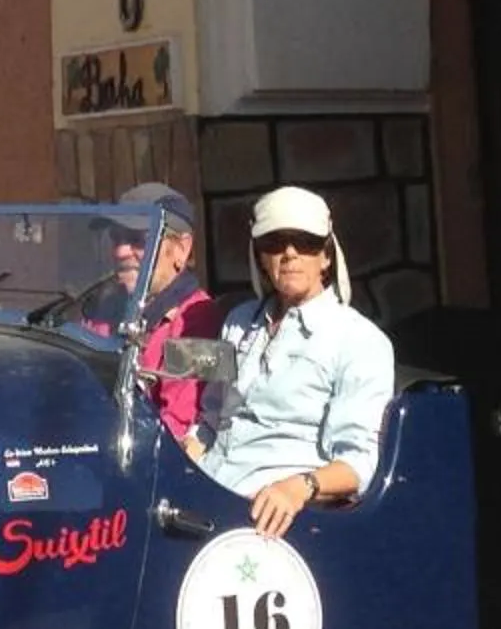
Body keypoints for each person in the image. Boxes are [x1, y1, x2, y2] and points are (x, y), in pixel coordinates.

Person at [194, 185, 395, 537]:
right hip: (206, 497)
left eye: (305, 242)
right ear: (259, 257)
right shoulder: (239, 322)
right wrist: (184, 452)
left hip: (276, 521)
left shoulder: (358, 340)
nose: (289, 253)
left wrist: (299, 487)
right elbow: (211, 421)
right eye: (275, 242)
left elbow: (361, 462)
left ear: (326, 256)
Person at [110, 183, 222, 437]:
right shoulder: (103, 308)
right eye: (116, 238)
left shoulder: (199, 320)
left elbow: (177, 429)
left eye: (139, 240)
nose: (120, 252)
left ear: (181, 249)